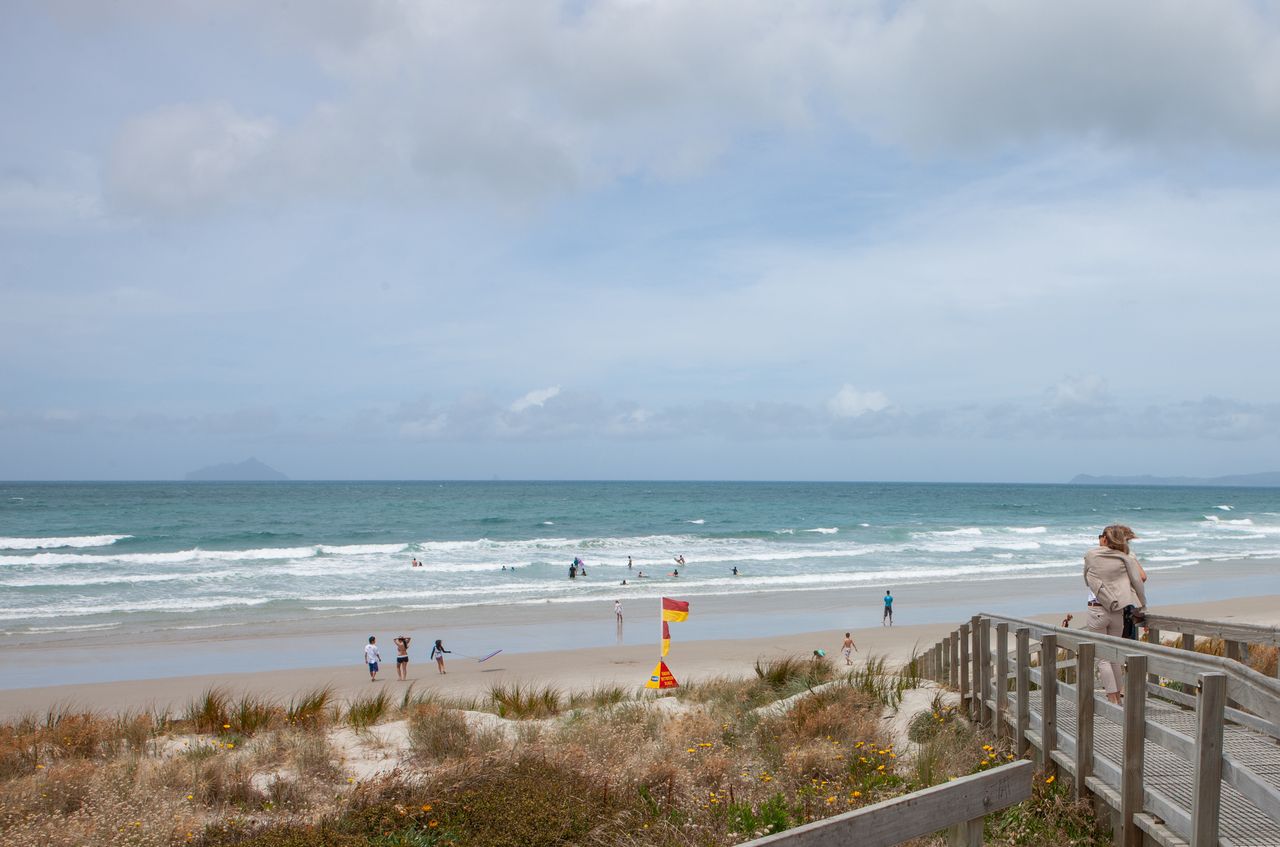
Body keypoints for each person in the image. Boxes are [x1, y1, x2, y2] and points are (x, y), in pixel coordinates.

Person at [1084, 525, 1148, 704]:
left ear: (1105, 538)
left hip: (1097, 609)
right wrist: (1143, 604)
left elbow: (1086, 576)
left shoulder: (1092, 555)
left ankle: (1113, 700)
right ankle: (1119, 698)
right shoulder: (1125, 558)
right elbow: (1139, 580)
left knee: (1102, 657)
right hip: (1118, 611)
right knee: (1113, 656)